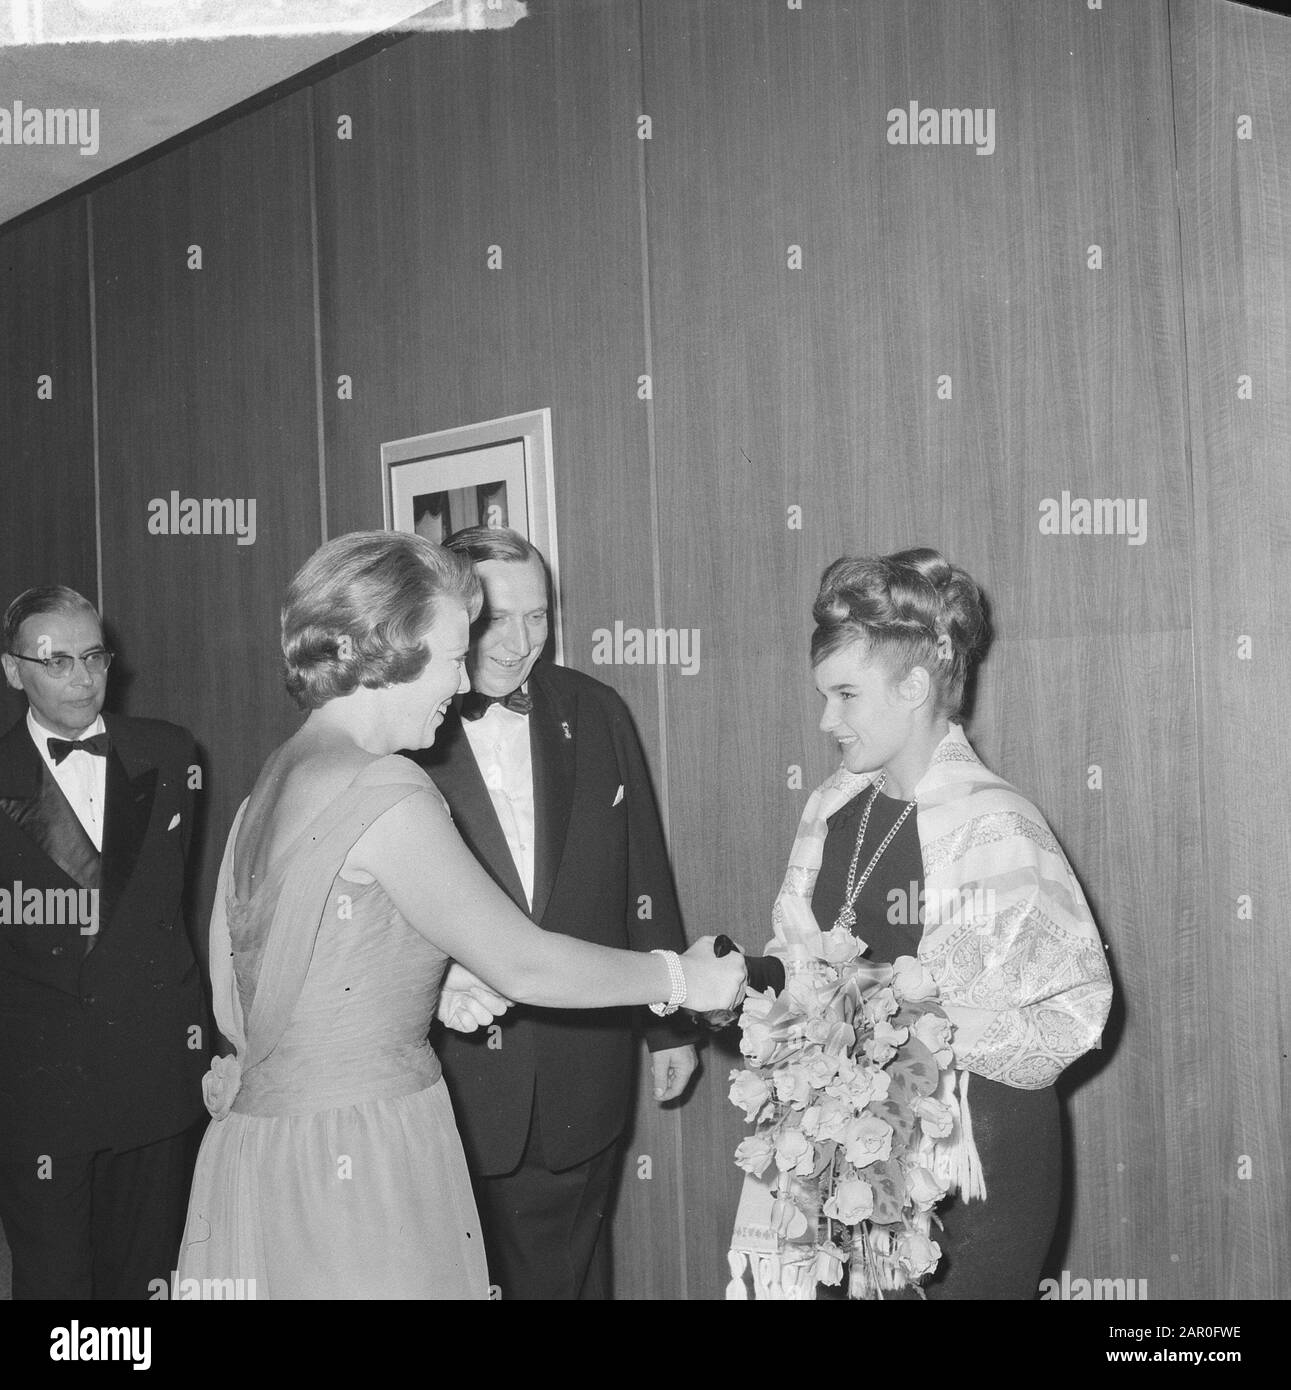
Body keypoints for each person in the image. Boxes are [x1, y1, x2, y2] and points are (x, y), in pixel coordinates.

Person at [175, 531, 740, 1299]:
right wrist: (683, 977)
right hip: (364, 1149)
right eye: (450, 654)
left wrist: (425, 984)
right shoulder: (388, 790)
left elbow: (273, 968)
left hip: (272, 1153)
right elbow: (527, 962)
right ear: (390, 649)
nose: (460, 677)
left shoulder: (275, 779)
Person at [732, 548, 1112, 1299]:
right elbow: (806, 966)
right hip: (850, 1152)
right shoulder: (831, 808)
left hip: (973, 1152)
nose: (824, 719)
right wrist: (748, 984)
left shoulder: (997, 823)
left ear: (912, 686)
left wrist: (869, 1015)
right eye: (823, 695)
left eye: (844, 695)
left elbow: (1067, 1012)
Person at [408, 525, 699, 1301]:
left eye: (537, 615)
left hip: (582, 1066)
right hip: (450, 1076)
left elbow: (644, 870)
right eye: (496, 619)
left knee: (569, 1279)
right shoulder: (404, 728)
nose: (519, 641)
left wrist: (667, 1022)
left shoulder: (597, 710)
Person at [0, 586, 208, 1299]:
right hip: (39, 1092)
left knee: (145, 1283)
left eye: (94, 656)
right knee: (55, 1288)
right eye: (55, 661)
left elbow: (173, 915)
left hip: (153, 1072)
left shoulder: (169, 751)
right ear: (11, 669)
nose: (82, 678)